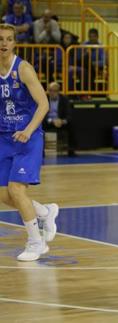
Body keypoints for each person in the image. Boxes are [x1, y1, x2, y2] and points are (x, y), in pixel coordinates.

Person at [0, 24, 59, 261]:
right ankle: (45, 212)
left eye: (8, 39)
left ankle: (36, 242)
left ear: (15, 43)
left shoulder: (23, 69)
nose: (3, 43)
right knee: (5, 196)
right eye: (0, 39)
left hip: (28, 136)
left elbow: (44, 105)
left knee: (16, 189)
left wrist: (27, 130)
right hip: (4, 137)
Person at [44, 82, 75, 157]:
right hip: (48, 122)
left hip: (60, 122)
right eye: (50, 90)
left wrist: (62, 121)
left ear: (58, 91)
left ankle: (71, 150)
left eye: (55, 91)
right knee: (39, 125)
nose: (52, 93)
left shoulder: (64, 99)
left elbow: (69, 114)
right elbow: (42, 115)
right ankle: (41, 152)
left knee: (72, 125)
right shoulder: (44, 99)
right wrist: (52, 121)